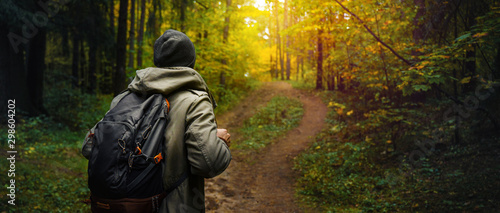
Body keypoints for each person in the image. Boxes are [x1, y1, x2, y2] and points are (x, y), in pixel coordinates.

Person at [88, 29, 232, 212]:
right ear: (190, 63)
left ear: (158, 61)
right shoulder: (196, 100)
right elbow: (208, 163)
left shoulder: (125, 98)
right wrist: (218, 141)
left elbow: (89, 146)